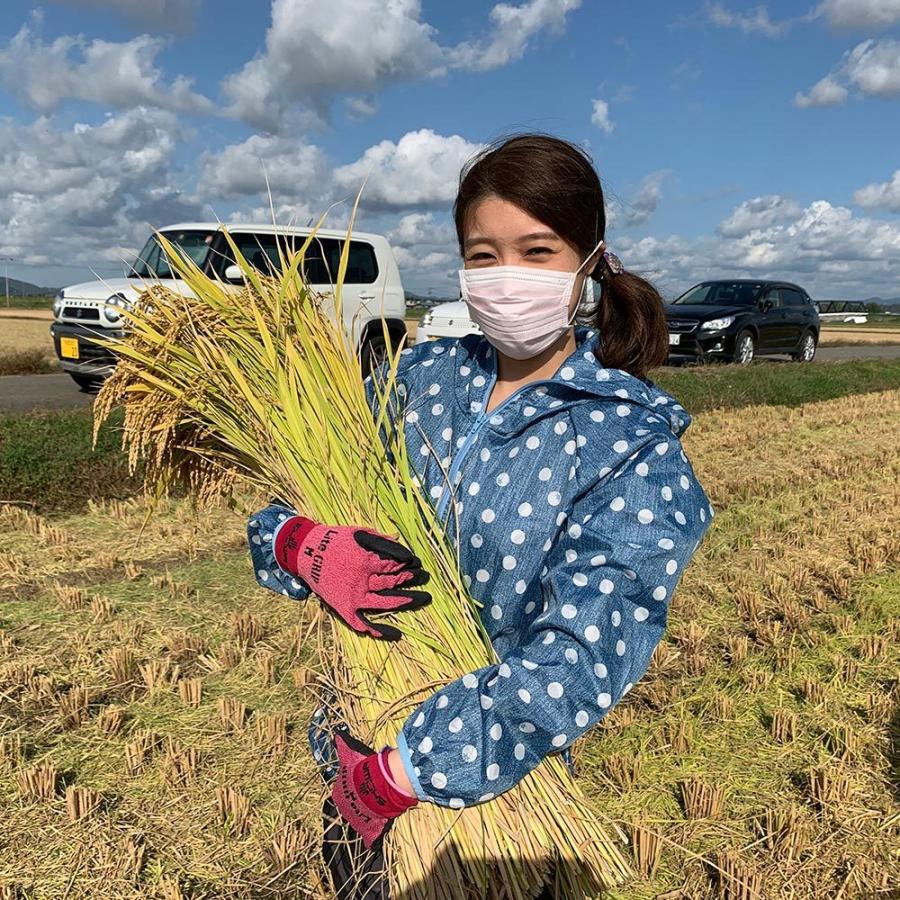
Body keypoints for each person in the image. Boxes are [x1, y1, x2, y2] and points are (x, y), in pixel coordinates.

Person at [247, 132, 715, 898]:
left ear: (591, 262)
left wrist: (405, 772)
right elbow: (276, 515)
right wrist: (300, 545)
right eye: (484, 255)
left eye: (537, 252)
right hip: (348, 753)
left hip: (483, 794)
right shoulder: (413, 380)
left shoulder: (629, 444)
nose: (508, 278)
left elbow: (578, 661)